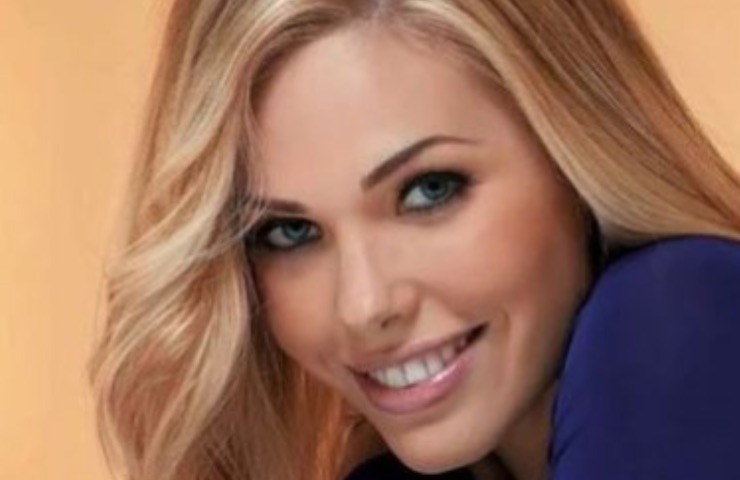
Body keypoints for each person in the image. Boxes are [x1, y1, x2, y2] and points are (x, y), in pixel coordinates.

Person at [88, 1, 740, 480]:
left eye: (429, 190)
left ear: (576, 152)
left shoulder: (677, 315)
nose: (364, 306)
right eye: (290, 232)